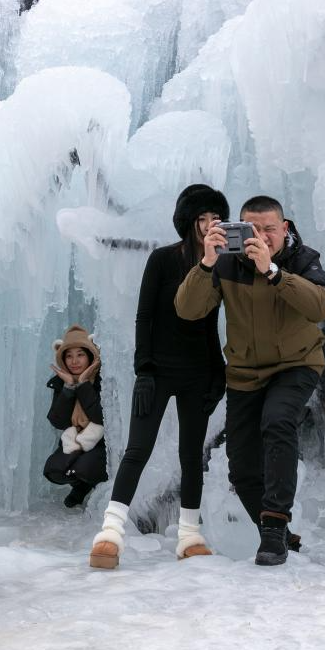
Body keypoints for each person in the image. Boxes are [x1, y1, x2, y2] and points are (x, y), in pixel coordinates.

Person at [175, 195, 325, 566]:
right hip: (245, 373)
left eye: (268, 229)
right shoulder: (226, 263)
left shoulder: (302, 259)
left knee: (278, 421)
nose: (261, 236)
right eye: (252, 228)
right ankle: (274, 532)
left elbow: (322, 306)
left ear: (284, 228)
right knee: (242, 468)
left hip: (296, 364)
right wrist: (207, 262)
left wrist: (273, 272)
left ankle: (275, 530)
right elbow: (188, 309)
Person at [89, 184, 228, 570]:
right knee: (138, 449)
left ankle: (190, 534)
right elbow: (144, 316)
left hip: (198, 371)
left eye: (214, 219)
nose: (207, 226)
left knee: (191, 453)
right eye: (201, 219)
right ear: (188, 222)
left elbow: (211, 325)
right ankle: (110, 533)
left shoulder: (223, 265)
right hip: (159, 371)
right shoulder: (163, 259)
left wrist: (217, 372)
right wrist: (144, 370)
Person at [43, 325, 108, 507]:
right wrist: (69, 388)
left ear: (90, 355)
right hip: (77, 440)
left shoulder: (105, 379)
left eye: (80, 354)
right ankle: (82, 484)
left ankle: (90, 486)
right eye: (69, 356)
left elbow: (102, 419)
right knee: (54, 469)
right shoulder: (62, 382)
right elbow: (58, 421)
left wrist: (85, 385)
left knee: (83, 468)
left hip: (104, 445)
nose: (74, 361)